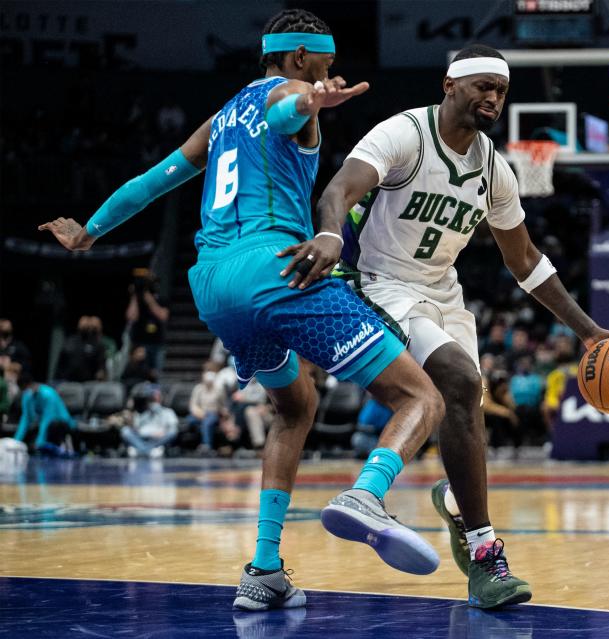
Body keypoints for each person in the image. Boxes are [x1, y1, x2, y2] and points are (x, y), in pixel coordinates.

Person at [39, 8, 445, 613]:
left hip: (211, 286)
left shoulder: (222, 117)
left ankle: (264, 570)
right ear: (303, 57)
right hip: (275, 269)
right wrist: (311, 101)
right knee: (422, 398)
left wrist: (90, 232)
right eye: (326, 64)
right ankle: (367, 494)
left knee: (294, 406)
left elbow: (153, 181)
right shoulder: (296, 92)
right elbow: (287, 108)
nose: (331, 74)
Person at [287, 43, 609, 608]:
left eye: (501, 89)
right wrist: (327, 234)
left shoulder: (494, 167)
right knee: (460, 383)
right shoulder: (403, 134)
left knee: (466, 406)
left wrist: (589, 331)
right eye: (483, 86)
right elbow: (339, 190)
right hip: (378, 281)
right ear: (450, 86)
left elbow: (526, 263)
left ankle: (469, 532)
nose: (493, 97)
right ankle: (463, 538)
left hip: (443, 293)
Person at [12, 369, 77, 455]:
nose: (25, 392)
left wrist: (40, 442)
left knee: (52, 428)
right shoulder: (26, 396)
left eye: (26, 388)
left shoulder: (48, 394)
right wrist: (15, 442)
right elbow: (25, 419)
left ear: (32, 384)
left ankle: (63, 447)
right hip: (43, 425)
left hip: (60, 423)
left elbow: (48, 418)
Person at [126, 269, 170, 372]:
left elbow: (163, 316)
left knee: (156, 374)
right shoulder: (137, 299)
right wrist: (134, 296)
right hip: (139, 342)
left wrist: (149, 299)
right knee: (140, 372)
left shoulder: (160, 298)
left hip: (157, 342)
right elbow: (132, 317)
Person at [121, 384, 179, 458]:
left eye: (157, 395)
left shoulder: (168, 412)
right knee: (125, 431)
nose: (154, 398)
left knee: (173, 432)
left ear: (161, 397)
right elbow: (136, 429)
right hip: (143, 437)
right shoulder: (142, 412)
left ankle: (139, 450)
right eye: (152, 395)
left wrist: (162, 432)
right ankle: (149, 451)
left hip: (159, 439)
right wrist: (150, 433)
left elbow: (173, 428)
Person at [56, 315, 108, 382]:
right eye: (83, 322)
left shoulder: (98, 345)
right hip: (67, 381)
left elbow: (102, 367)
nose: (85, 324)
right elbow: (61, 362)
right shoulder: (70, 341)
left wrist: (101, 377)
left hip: (89, 383)